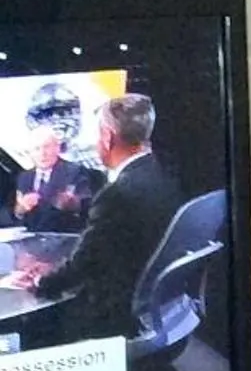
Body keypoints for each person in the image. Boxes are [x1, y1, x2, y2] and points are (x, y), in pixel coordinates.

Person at [13, 95, 179, 342]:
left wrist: (40, 280)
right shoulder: (161, 174)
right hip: (157, 302)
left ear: (108, 137)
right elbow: (108, 248)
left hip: (112, 314)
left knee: (37, 327)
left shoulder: (116, 194)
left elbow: (83, 265)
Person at [9, 83, 102, 236]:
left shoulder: (76, 172)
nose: (42, 153)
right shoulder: (25, 177)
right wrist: (20, 210)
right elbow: (18, 216)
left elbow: (88, 209)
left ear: (57, 148)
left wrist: (73, 204)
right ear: (30, 152)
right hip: (32, 247)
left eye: (47, 147)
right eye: (37, 149)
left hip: (64, 243)